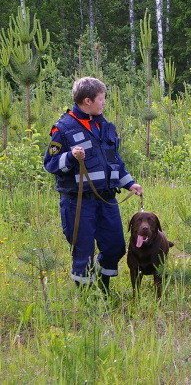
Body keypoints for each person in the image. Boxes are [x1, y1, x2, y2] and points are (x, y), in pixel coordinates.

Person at [43, 77, 143, 292]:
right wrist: (70, 156)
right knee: (83, 251)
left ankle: (102, 286)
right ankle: (88, 300)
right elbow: (49, 164)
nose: (104, 102)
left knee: (116, 247)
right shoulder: (63, 129)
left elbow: (114, 161)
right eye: (101, 98)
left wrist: (129, 184)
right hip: (78, 203)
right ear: (87, 101)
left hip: (107, 199)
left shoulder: (104, 125)